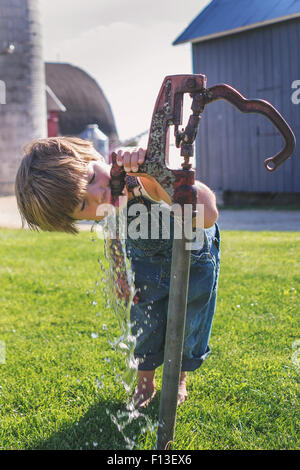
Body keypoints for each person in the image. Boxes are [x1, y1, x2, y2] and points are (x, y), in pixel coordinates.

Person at [15, 136, 220, 408]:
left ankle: (179, 377)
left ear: (95, 156)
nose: (98, 194)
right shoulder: (108, 206)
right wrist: (120, 274)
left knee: (188, 320)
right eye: (82, 205)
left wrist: (156, 175)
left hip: (195, 258)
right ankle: (145, 384)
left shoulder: (140, 179)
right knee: (144, 324)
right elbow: (113, 234)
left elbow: (208, 214)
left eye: (90, 179)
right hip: (146, 262)